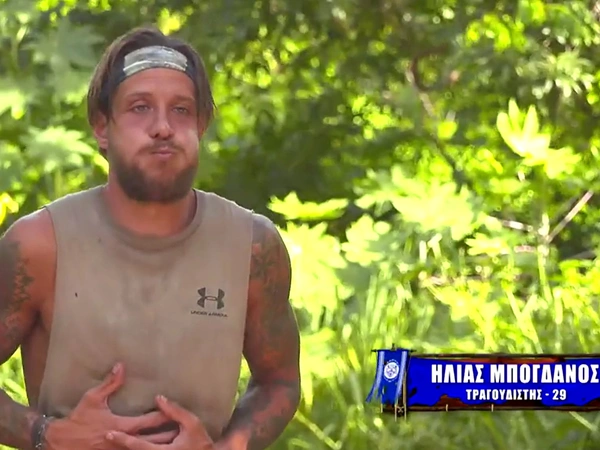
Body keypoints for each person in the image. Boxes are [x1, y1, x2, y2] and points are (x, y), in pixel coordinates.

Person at [0, 26, 301, 449]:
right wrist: (45, 434)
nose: (162, 127)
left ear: (200, 125)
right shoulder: (40, 245)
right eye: (140, 107)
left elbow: (279, 382)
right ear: (102, 128)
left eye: (181, 110)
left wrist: (228, 447)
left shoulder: (251, 247)